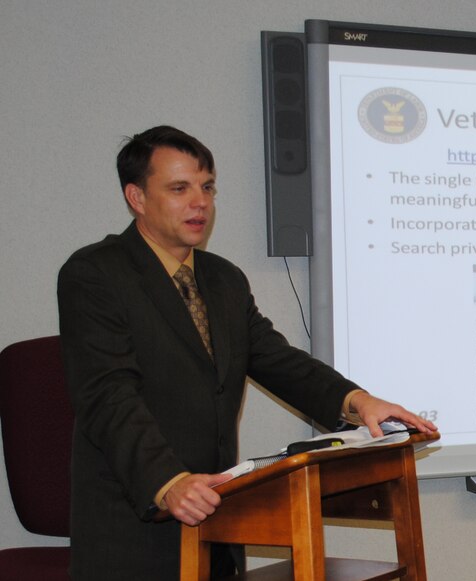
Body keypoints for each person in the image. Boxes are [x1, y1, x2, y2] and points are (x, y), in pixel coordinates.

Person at [57, 125, 436, 580]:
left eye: (207, 187)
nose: (200, 202)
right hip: (136, 529)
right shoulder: (96, 273)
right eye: (180, 189)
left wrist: (359, 402)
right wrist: (167, 481)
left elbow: (277, 359)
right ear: (136, 197)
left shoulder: (223, 279)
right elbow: (107, 395)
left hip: (218, 524)